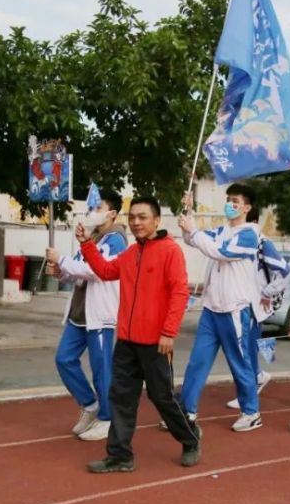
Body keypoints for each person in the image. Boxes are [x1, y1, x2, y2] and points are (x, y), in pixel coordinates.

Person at [78, 196, 200, 473]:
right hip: (126, 342)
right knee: (120, 398)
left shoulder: (171, 251)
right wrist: (87, 244)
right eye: (132, 217)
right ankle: (119, 456)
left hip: (156, 343)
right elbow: (107, 271)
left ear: (156, 220)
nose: (136, 222)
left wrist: (168, 333)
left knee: (162, 398)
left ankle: (190, 439)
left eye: (142, 217)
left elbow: (180, 293)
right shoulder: (131, 253)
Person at [177, 183, 263, 432]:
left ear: (247, 207)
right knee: (197, 362)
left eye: (235, 200)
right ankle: (187, 410)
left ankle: (251, 411)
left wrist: (194, 231)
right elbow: (194, 240)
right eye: (228, 199)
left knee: (239, 363)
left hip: (234, 309)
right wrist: (189, 213)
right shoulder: (222, 230)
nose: (230, 204)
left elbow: (219, 252)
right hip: (212, 309)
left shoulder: (249, 234)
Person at [45, 189, 127, 442]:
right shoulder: (91, 238)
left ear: (112, 214)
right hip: (79, 313)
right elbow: (76, 272)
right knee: (64, 359)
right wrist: (60, 270)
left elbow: (97, 271)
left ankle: (108, 417)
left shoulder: (117, 240)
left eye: (98, 207)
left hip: (100, 315)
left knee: (102, 369)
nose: (93, 211)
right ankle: (90, 405)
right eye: (92, 207)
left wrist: (63, 259)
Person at [226, 213, 290, 410]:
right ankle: (257, 379)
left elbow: (284, 271)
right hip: (239, 304)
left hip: (254, 306)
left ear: (252, 223)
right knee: (246, 349)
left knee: (247, 350)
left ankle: (249, 393)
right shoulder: (234, 241)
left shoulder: (263, 244)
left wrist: (267, 292)